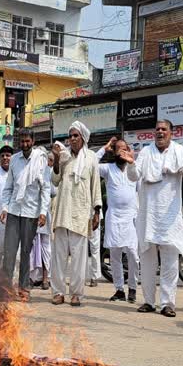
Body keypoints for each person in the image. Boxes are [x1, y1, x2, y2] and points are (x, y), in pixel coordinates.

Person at [121, 119, 183, 317]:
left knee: (170, 263)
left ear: (171, 133)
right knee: (147, 262)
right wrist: (130, 163)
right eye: (157, 130)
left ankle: (167, 303)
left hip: (170, 217)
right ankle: (148, 301)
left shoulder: (179, 151)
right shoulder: (145, 152)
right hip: (148, 215)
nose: (160, 132)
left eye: (164, 129)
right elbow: (133, 176)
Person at [50, 122, 102, 307]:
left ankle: (76, 294)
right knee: (58, 256)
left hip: (81, 213)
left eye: (75, 135)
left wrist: (97, 212)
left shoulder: (91, 158)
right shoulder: (64, 157)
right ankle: (57, 292)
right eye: (70, 135)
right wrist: (56, 160)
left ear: (83, 138)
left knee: (80, 258)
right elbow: (55, 181)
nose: (72, 139)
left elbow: (95, 185)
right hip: (63, 212)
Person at [0, 129, 50, 300]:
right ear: (18, 142)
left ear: (33, 141)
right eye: (22, 141)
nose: (25, 144)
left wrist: (43, 212)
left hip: (31, 212)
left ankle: (24, 288)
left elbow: (45, 189)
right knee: (9, 252)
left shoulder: (41, 160)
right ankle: (5, 288)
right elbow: (8, 188)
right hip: (14, 211)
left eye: (28, 141)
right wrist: (5, 208)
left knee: (26, 252)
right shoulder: (14, 160)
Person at [96, 138, 139, 303]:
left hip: (131, 217)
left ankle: (133, 288)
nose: (121, 151)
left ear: (129, 151)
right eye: (118, 149)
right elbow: (90, 165)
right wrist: (104, 149)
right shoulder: (108, 169)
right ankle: (120, 290)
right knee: (115, 256)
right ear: (114, 152)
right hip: (114, 216)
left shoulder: (134, 169)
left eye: (124, 148)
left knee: (134, 255)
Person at [29, 153, 56, 291]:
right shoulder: (29, 171)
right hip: (30, 214)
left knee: (46, 248)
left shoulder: (49, 172)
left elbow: (53, 191)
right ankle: (32, 277)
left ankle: (46, 278)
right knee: (31, 247)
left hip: (45, 215)